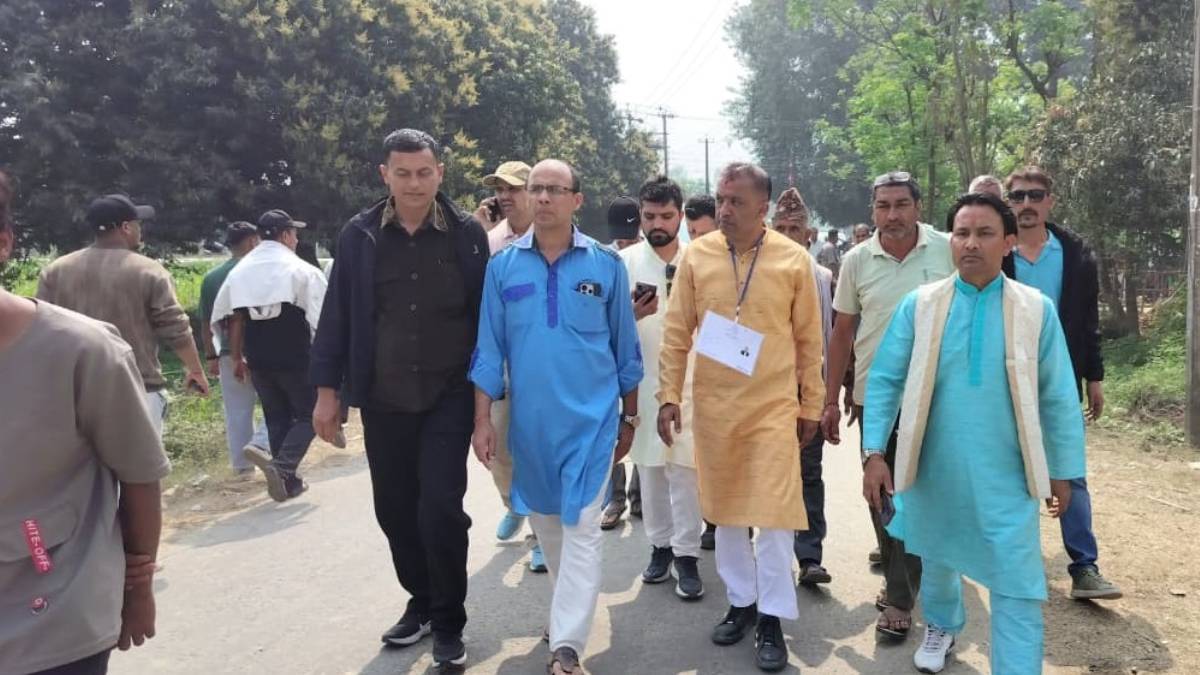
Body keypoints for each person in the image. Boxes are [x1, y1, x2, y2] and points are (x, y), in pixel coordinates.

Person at [862, 192, 1085, 673]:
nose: (970, 243)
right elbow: (885, 379)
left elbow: (1058, 396)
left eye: (984, 233)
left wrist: (1064, 472)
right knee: (938, 560)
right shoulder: (920, 305)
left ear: (1007, 243)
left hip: (1006, 479)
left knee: (1016, 582)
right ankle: (942, 625)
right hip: (933, 471)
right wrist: (874, 452)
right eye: (961, 233)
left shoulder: (1035, 309)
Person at [310, 129, 488, 667]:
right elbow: (337, 315)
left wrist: (487, 402)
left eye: (424, 172)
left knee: (439, 506)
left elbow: (486, 318)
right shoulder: (359, 236)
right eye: (403, 173)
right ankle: (423, 601)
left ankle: (450, 621)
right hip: (383, 397)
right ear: (384, 174)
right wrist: (326, 393)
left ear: (440, 173)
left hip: (448, 395)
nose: (415, 183)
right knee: (394, 509)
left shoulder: (466, 235)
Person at [470, 159, 642, 675]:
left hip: (592, 423)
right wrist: (482, 420)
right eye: (535, 189)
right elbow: (486, 350)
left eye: (554, 190)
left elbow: (626, 350)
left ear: (576, 200)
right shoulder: (502, 269)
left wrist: (629, 420)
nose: (542, 198)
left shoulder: (606, 265)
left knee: (583, 526)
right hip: (532, 426)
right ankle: (568, 611)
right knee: (548, 525)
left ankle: (566, 645)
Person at [0, 170, 170, 675]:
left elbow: (140, 474)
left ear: (3, 243)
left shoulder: (84, 348)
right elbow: (174, 324)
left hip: (54, 608)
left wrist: (137, 585)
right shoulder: (147, 269)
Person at [659, 162, 824, 673]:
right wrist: (669, 395)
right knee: (728, 512)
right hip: (714, 406)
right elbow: (676, 330)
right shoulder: (696, 257)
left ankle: (773, 617)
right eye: (720, 199)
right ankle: (742, 603)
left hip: (773, 408)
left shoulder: (793, 261)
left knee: (773, 515)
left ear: (762, 206)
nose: (723, 209)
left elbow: (808, 342)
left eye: (735, 201)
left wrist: (812, 405)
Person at [821, 171, 954, 640]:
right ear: (872, 211)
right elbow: (842, 334)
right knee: (880, 494)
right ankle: (901, 573)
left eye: (901, 204)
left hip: (937, 397)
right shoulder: (858, 260)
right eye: (883, 206)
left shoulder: (947, 249)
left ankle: (898, 597)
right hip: (876, 399)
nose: (892, 215)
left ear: (918, 206)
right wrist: (830, 398)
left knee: (917, 495)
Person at [1001, 166, 1121, 601]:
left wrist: (1095, 377)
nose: (1027, 205)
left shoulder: (1075, 253)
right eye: (1018, 197)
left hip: (1060, 377)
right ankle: (1013, 562)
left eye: (1035, 195)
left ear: (1050, 200)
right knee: (1009, 468)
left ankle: (1084, 567)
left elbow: (1089, 320)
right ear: (1008, 203)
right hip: (1005, 377)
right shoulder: (998, 252)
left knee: (1069, 467)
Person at [36, 193, 210, 435]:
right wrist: (196, 370)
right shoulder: (148, 271)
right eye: (138, 223)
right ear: (126, 228)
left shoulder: (56, 271)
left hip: (75, 391)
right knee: (140, 471)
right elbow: (175, 327)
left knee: (88, 470)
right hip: (137, 387)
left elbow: (40, 329)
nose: (141, 230)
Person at [619, 175, 704, 600]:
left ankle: (687, 556)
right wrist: (631, 316)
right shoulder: (624, 263)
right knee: (650, 470)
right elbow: (608, 331)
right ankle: (660, 547)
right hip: (644, 382)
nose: (657, 223)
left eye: (666, 216)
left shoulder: (700, 259)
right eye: (649, 215)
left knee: (686, 473)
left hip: (691, 385)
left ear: (681, 216)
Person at [211, 210, 327, 502]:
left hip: (258, 356)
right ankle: (283, 466)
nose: (297, 239)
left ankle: (287, 482)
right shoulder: (299, 269)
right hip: (294, 353)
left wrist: (237, 357)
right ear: (286, 235)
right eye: (295, 234)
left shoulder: (240, 271)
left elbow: (230, 316)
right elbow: (322, 318)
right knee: (309, 413)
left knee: (277, 417)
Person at [478, 159, 547, 571]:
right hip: (502, 364)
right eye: (499, 189)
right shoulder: (489, 243)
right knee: (500, 450)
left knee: (537, 449)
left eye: (513, 189)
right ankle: (514, 502)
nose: (505, 196)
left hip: (544, 364)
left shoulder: (552, 238)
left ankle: (541, 533)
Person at [772, 187, 835, 587]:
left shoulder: (823, 276)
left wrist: (826, 399)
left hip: (804, 391)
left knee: (808, 473)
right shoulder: (751, 272)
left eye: (795, 228)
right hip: (763, 392)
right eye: (781, 227)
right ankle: (751, 551)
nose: (788, 234)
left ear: (809, 235)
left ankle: (810, 556)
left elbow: (828, 340)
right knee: (760, 472)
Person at [199, 221, 270, 475]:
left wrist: (210, 355)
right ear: (253, 242)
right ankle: (265, 446)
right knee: (277, 404)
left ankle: (242, 468)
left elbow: (207, 322)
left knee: (238, 410)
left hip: (229, 353)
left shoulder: (212, 278)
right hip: (264, 351)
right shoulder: (261, 271)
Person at [602, 195, 643, 529]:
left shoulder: (653, 256)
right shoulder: (602, 258)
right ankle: (614, 498)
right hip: (607, 357)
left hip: (647, 355)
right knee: (609, 425)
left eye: (630, 235)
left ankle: (638, 495)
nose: (625, 242)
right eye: (620, 236)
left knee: (640, 422)